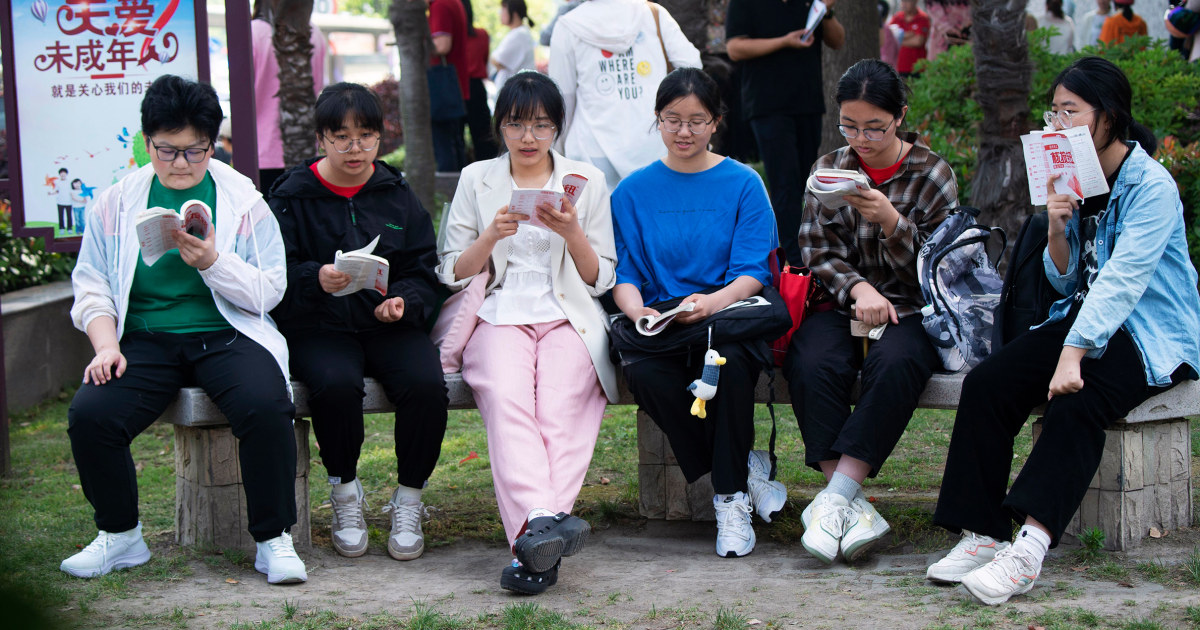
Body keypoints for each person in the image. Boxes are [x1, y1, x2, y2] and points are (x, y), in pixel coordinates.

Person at [928, 56, 1200, 606]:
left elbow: (1123, 282)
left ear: (1109, 117)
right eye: (1053, 112)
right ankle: (982, 535)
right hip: (1086, 318)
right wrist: (1057, 225)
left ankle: (1029, 548)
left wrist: (1071, 355)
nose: (1057, 124)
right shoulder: (1076, 176)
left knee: (1079, 403)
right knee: (989, 384)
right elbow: (1066, 277)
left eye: (1070, 112)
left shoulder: (1151, 185)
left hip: (1153, 335)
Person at [62, 75, 307, 584]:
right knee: (91, 414)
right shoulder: (115, 201)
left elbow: (269, 291)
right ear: (146, 141)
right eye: (166, 150)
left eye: (194, 151)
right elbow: (91, 286)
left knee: (265, 406)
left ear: (213, 144)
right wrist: (106, 345)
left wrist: (214, 261)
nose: (179, 164)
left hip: (226, 332)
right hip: (145, 339)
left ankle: (272, 538)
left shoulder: (244, 199)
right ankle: (121, 536)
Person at [436, 72, 617, 594]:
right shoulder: (477, 179)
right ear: (500, 127)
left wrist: (571, 231)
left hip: (567, 312)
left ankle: (534, 545)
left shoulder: (586, 179)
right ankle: (543, 522)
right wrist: (492, 232)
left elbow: (600, 277)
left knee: (562, 408)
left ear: (557, 126)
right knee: (506, 396)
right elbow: (453, 271)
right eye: (517, 124)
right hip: (498, 312)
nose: (530, 137)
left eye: (541, 125)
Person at [268, 83, 449, 561]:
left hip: (387, 325)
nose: (355, 148)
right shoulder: (291, 197)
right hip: (319, 326)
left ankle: (409, 497)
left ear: (380, 137)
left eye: (366, 136)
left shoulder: (395, 192)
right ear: (321, 139)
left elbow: (423, 269)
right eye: (342, 137)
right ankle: (345, 491)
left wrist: (404, 302)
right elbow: (271, 272)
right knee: (334, 382)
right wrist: (313, 278)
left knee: (427, 384)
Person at [786, 59, 956, 565]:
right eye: (849, 125)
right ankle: (850, 506)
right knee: (811, 360)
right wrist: (858, 288)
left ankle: (833, 500)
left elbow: (940, 265)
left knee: (899, 364)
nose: (861, 138)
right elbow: (816, 251)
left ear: (900, 116)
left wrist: (891, 220)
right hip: (842, 304)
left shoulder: (932, 174)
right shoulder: (828, 170)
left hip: (911, 306)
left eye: (875, 127)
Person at [612, 68, 781, 559]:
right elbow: (624, 271)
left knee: (727, 364)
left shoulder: (744, 184)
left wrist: (712, 303)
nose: (683, 131)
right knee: (643, 372)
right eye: (672, 120)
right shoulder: (631, 192)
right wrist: (638, 310)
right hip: (662, 319)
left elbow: (753, 271)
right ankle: (743, 465)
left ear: (716, 122)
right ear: (657, 122)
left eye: (696, 120)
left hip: (726, 312)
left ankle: (729, 500)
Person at [726, 0, 845, 265]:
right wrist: (783, 41)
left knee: (805, 181)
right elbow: (734, 48)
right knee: (784, 184)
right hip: (767, 104)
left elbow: (838, 40)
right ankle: (793, 262)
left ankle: (810, 250)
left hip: (807, 102)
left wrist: (826, 10)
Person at [548, 0, 701, 191]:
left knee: (597, 220)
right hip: (653, 146)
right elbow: (692, 66)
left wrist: (557, 152)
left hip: (592, 153)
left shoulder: (568, 26)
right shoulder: (652, 14)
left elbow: (561, 99)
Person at [252, 0, 327, 197]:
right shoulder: (315, 34)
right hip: (304, 149)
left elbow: (242, 94)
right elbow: (317, 89)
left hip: (260, 152)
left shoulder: (252, 33)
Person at [429, 0, 471, 171]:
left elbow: (442, 45)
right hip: (453, 87)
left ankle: (448, 195)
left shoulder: (440, 5)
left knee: (445, 148)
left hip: (443, 89)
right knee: (455, 144)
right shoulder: (453, 3)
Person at [463, 0, 499, 162]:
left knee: (455, 138)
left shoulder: (451, 39)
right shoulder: (482, 35)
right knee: (484, 136)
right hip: (476, 87)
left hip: (458, 87)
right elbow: (485, 61)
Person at [490, 0, 537, 90]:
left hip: (515, 90)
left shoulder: (519, 34)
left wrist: (495, 59)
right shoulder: (518, 32)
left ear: (514, 13)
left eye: (503, 9)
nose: (500, 13)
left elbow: (497, 61)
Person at [888, 0, 931, 78]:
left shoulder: (923, 18)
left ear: (915, 1)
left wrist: (899, 38)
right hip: (898, 67)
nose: (904, 4)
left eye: (907, 1)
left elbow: (918, 41)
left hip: (917, 68)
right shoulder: (897, 18)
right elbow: (889, 37)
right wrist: (909, 34)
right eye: (902, 1)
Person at [51, 167, 73, 234]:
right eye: (61, 173)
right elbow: (57, 191)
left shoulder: (70, 182)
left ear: (66, 174)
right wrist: (51, 193)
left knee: (69, 216)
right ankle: (61, 228)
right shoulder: (57, 182)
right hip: (60, 201)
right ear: (59, 174)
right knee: (61, 215)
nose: (63, 175)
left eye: (64, 173)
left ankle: (69, 228)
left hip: (69, 201)